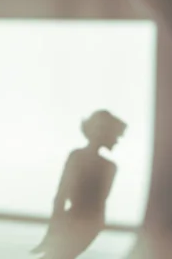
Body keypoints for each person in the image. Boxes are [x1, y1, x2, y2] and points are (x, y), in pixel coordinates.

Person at [30, 110, 127, 259]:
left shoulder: (79, 157)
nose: (116, 141)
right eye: (115, 135)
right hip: (86, 225)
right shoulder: (107, 166)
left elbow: (61, 197)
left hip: (80, 224)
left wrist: (51, 234)